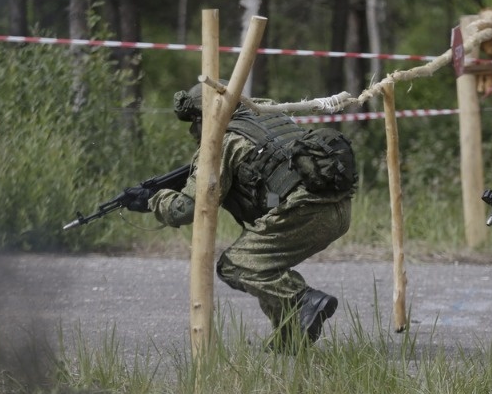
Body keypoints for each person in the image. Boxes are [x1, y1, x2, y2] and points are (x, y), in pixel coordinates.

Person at [124, 84, 357, 352]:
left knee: (237, 265)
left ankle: (303, 301)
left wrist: (152, 200)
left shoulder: (222, 142)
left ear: (205, 117)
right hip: (338, 207)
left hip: (305, 211)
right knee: (264, 266)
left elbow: (185, 209)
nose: (193, 131)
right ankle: (291, 334)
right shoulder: (265, 110)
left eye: (195, 122)